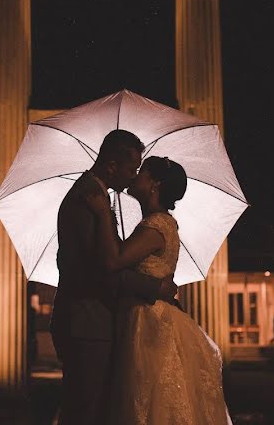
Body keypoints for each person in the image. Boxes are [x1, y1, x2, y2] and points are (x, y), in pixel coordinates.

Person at [86, 155, 232, 424]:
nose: (135, 176)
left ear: (154, 184)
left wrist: (103, 214)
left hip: (148, 321)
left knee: (144, 398)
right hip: (146, 314)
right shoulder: (159, 223)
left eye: (141, 172)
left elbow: (115, 261)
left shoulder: (155, 226)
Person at [50, 130, 178, 425]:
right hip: (86, 321)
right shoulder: (87, 198)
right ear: (111, 167)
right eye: (132, 169)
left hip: (95, 322)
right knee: (85, 411)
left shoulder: (97, 195)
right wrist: (153, 286)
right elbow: (97, 270)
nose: (134, 177)